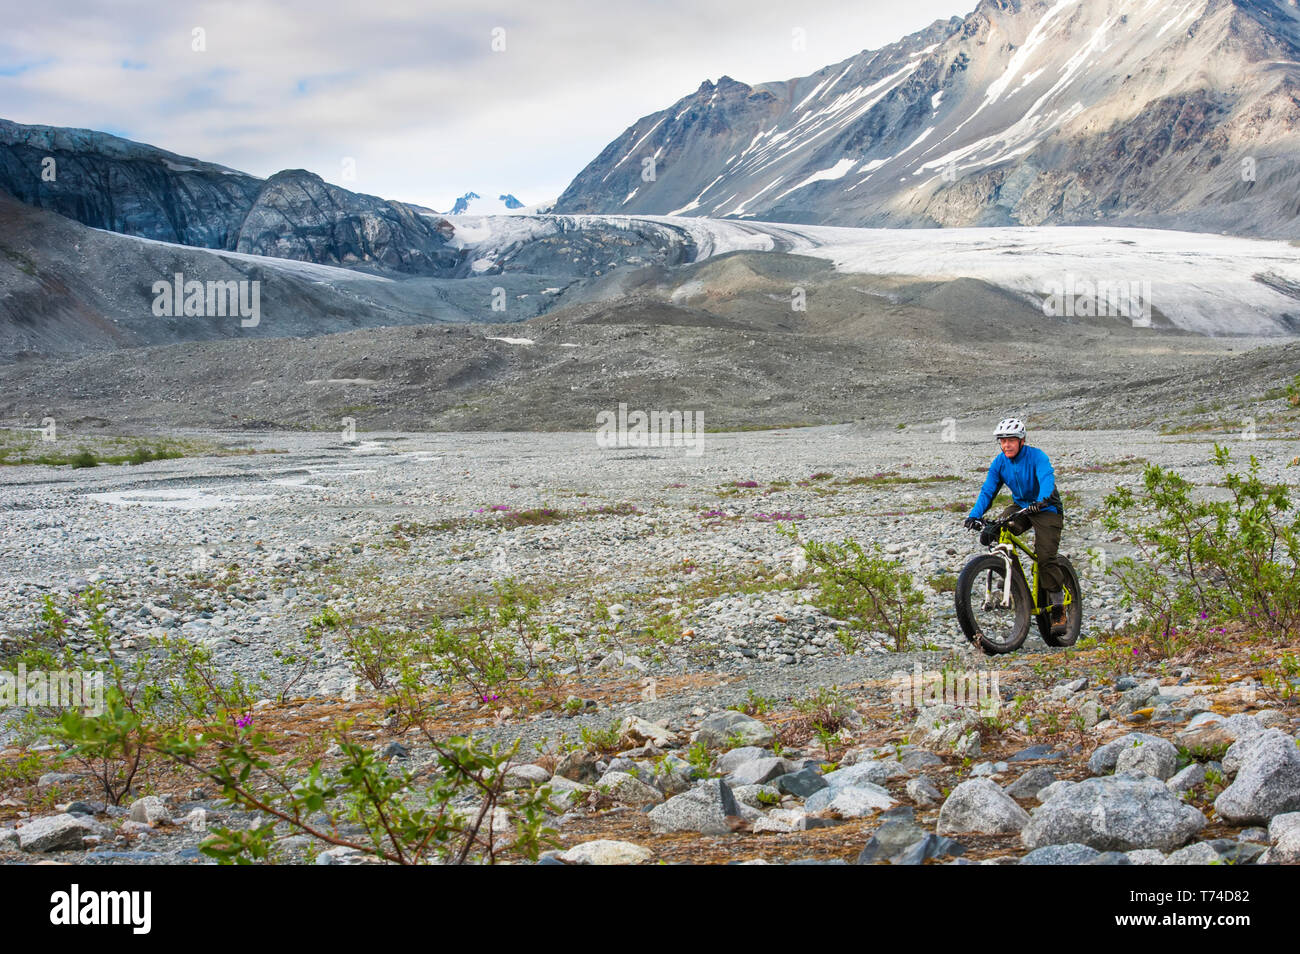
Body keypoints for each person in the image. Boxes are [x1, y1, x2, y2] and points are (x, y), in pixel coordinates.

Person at [963, 418, 1067, 629]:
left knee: (1045, 556)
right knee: (995, 532)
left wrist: (1043, 500)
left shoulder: (1037, 457)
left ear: (1022, 440)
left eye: (1011, 440)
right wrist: (974, 515)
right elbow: (988, 490)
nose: (1006, 445)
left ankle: (1058, 606)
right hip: (1021, 507)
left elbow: (1047, 478)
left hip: (1046, 508)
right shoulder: (999, 462)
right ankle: (1010, 576)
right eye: (1002, 440)